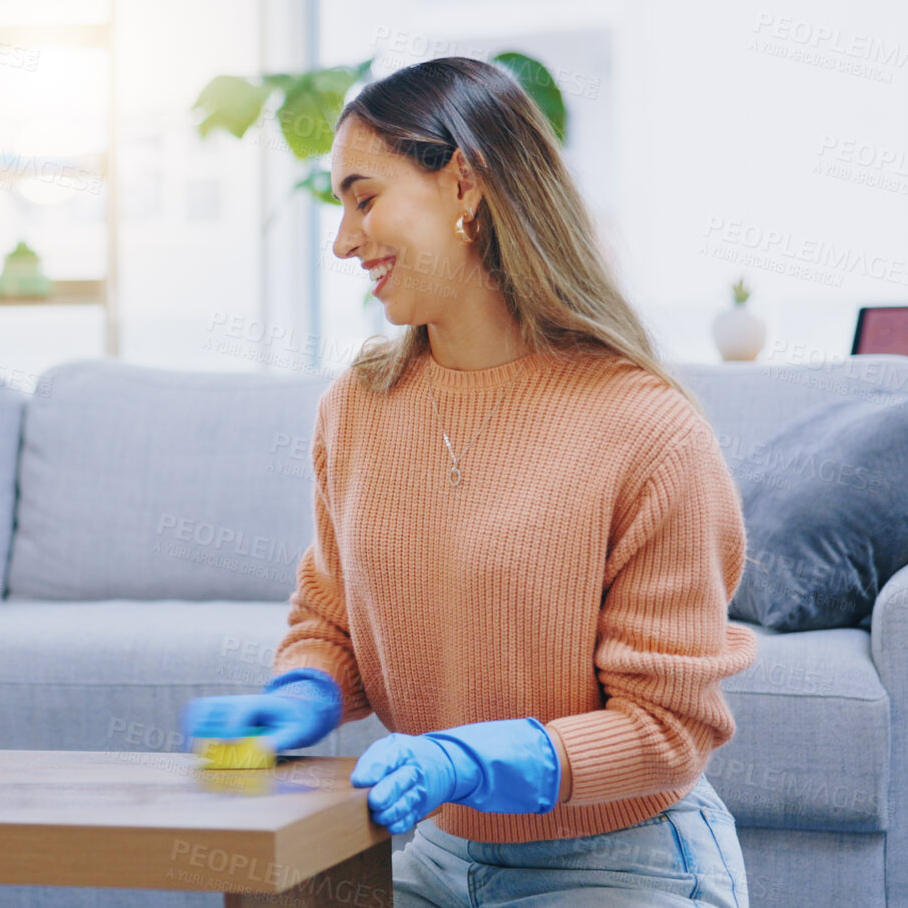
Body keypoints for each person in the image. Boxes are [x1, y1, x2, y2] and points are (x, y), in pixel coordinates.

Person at [183, 57, 755, 906]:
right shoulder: (359, 406)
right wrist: (306, 688)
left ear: (463, 185)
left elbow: (668, 726)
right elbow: (331, 615)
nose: (344, 241)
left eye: (364, 198)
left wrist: (472, 758)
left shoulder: (646, 428)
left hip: (622, 857)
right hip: (442, 854)